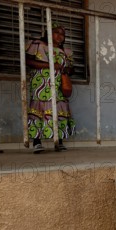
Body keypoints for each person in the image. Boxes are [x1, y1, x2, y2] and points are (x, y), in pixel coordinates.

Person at [26, 23, 75, 153]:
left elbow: (72, 68)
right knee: (38, 111)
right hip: (41, 84)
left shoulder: (66, 51)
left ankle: (59, 142)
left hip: (59, 84)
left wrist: (67, 69)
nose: (60, 36)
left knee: (59, 110)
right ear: (49, 33)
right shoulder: (38, 45)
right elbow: (29, 61)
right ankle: (37, 142)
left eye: (62, 34)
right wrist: (50, 65)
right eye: (56, 32)